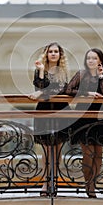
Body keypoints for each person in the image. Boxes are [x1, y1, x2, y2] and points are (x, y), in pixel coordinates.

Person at [65, 48, 103, 198]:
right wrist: (87, 93)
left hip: (99, 116)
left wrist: (101, 76)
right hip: (82, 115)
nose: (91, 61)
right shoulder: (81, 74)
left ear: (100, 60)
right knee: (88, 153)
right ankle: (89, 185)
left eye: (94, 58)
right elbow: (69, 89)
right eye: (89, 58)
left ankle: (92, 183)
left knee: (98, 154)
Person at [28, 42, 71, 196]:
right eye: (50, 51)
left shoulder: (63, 71)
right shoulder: (39, 70)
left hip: (61, 113)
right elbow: (39, 87)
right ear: (46, 54)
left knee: (58, 151)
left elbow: (60, 89)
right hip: (44, 113)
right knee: (46, 151)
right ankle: (46, 183)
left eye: (56, 51)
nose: (53, 54)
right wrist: (40, 71)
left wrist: (41, 94)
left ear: (60, 55)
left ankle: (55, 180)